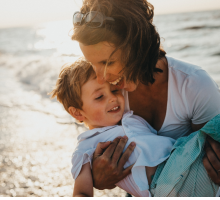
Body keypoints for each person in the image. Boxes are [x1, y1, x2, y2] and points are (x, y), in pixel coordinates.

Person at [71, 0, 220, 192]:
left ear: (137, 46)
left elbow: (208, 152)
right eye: (92, 64)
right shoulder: (110, 94)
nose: (101, 77)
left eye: (108, 62)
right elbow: (96, 144)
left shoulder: (194, 85)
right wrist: (98, 179)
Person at [50, 59, 219, 197]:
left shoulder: (132, 118)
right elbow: (81, 192)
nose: (112, 98)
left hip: (183, 162)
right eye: (100, 96)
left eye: (115, 90)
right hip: (162, 185)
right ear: (78, 113)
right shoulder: (87, 146)